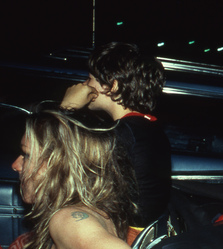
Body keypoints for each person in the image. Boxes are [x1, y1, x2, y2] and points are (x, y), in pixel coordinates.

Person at [7, 110, 139, 249]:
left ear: (57, 164)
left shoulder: (69, 219)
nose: (16, 165)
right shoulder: (89, 212)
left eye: (26, 155)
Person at [60, 42, 171, 227]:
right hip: (145, 229)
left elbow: (52, 154)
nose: (84, 85)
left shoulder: (122, 133)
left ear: (111, 85)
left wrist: (67, 108)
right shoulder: (148, 127)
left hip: (127, 234)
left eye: (89, 79)